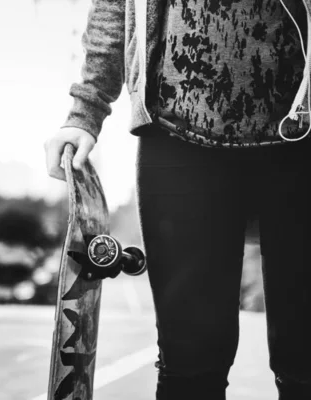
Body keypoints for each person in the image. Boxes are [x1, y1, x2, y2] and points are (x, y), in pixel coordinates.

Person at [44, 1, 311, 399]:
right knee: (189, 362)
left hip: (302, 137)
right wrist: (86, 109)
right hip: (176, 134)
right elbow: (115, 6)